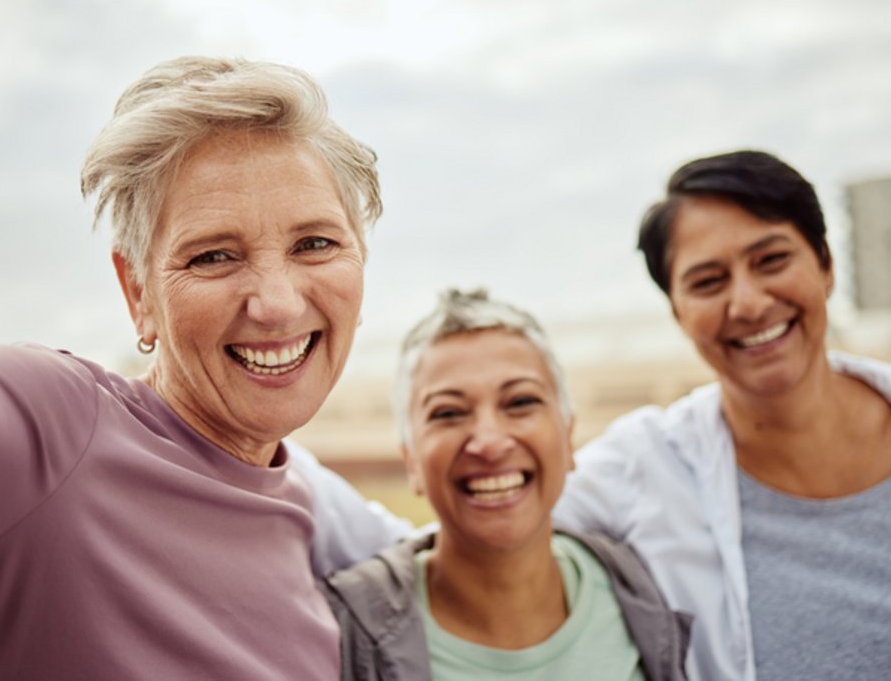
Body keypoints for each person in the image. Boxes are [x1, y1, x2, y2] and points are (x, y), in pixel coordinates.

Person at [0, 55, 408, 680]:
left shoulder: (310, 523)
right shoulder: (49, 432)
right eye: (213, 257)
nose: (278, 303)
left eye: (315, 243)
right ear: (139, 294)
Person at [556, 150, 891, 680]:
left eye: (771, 260)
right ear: (677, 312)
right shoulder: (644, 463)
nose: (749, 303)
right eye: (708, 281)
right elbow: (457, 543)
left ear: (825, 266)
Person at [319, 289, 691, 681]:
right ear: (411, 459)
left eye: (519, 402)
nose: (490, 442)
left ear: (567, 436)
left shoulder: (643, 590)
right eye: (448, 412)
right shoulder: (342, 635)